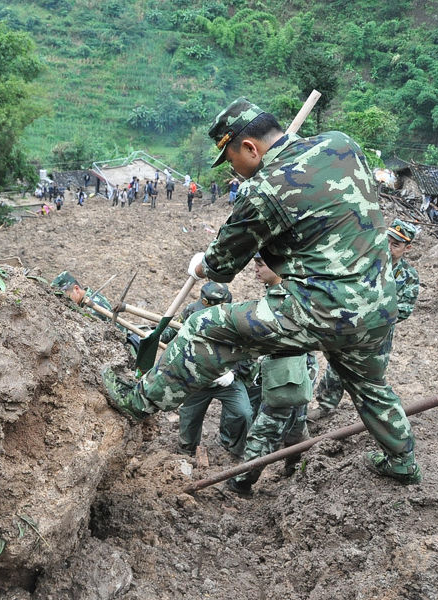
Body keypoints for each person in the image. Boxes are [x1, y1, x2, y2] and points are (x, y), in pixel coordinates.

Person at [101, 97, 421, 485]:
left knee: (205, 326)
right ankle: (402, 460)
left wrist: (199, 263)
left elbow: (220, 268)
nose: (234, 171)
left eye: (232, 160)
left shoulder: (264, 191)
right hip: (379, 303)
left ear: (250, 147)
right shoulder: (341, 144)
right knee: (367, 383)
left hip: (322, 309)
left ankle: (139, 402)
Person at [309, 219, 420, 420]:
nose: (388, 247)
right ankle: (325, 405)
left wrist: (374, 317)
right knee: (337, 366)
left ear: (408, 248)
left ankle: (371, 415)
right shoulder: (365, 263)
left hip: (380, 334)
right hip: (351, 326)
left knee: (373, 374)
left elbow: (404, 308)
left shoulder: (409, 276)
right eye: (387, 241)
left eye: (396, 245)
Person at [225, 255, 317, 496]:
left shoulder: (284, 297)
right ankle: (296, 464)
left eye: (260, 265)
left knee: (266, 429)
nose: (255, 270)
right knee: (296, 420)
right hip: (296, 368)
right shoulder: (289, 288)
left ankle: (243, 482)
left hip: (286, 370)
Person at [161, 283, 251, 458]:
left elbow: (251, 352)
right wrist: (153, 334)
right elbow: (169, 332)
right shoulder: (191, 311)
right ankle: (186, 453)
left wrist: (233, 372)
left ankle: (233, 448)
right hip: (196, 377)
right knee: (189, 420)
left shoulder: (239, 319)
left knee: (243, 413)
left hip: (226, 379)